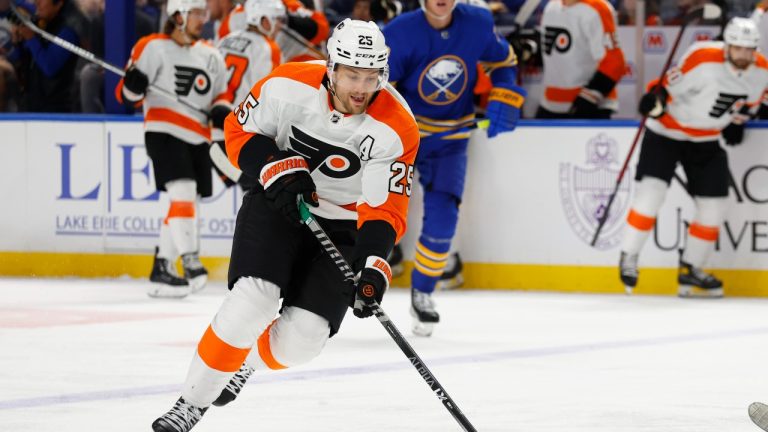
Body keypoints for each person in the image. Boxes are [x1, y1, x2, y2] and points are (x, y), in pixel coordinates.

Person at [150, 19, 419, 431]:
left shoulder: (396, 126)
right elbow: (238, 130)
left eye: (371, 76)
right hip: (279, 202)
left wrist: (372, 267)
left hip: (344, 225)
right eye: (352, 75)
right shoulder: (287, 84)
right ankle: (190, 405)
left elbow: (384, 209)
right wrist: (275, 166)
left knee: (304, 341)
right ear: (331, 67)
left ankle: (243, 362)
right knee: (251, 302)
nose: (362, 88)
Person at [383, 0, 524, 336]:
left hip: (450, 139)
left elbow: (503, 59)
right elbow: (376, 90)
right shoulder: (399, 33)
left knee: (444, 215)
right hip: (402, 137)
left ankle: (423, 293)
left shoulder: (476, 22)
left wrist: (504, 89)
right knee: (376, 212)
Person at [618, 17, 768, 298]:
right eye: (739, 48)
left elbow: (750, 103)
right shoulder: (702, 58)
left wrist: (737, 121)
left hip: (706, 138)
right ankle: (629, 256)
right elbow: (665, 88)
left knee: (714, 207)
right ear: (727, 45)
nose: (745, 56)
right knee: (651, 195)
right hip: (667, 133)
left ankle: (691, 269)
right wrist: (655, 102)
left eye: (750, 50)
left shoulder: (761, 70)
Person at [115, 0, 230, 298]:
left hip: (198, 137)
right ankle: (191, 259)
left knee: (188, 199)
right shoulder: (151, 47)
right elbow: (126, 96)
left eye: (203, 14)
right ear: (178, 15)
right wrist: (134, 85)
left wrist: (220, 110)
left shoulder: (211, 54)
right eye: (196, 14)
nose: (202, 20)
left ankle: (162, 266)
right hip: (163, 131)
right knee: (182, 189)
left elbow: (221, 94)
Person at [213, 0, 285, 189]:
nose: (278, 25)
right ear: (262, 19)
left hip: (213, 130)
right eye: (275, 19)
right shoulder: (268, 47)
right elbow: (268, 93)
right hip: (241, 132)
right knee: (259, 189)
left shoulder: (225, 39)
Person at [536, 0, 626, 119]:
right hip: (550, 104)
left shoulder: (598, 8)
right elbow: (553, 53)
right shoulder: (551, 7)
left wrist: (588, 99)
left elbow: (615, 63)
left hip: (589, 107)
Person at [13, 0, 86, 112]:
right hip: (31, 104)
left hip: (57, 110)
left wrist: (31, 38)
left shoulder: (70, 28)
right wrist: (17, 42)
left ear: (59, 3)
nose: (37, 3)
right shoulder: (42, 21)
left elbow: (50, 66)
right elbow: (23, 64)